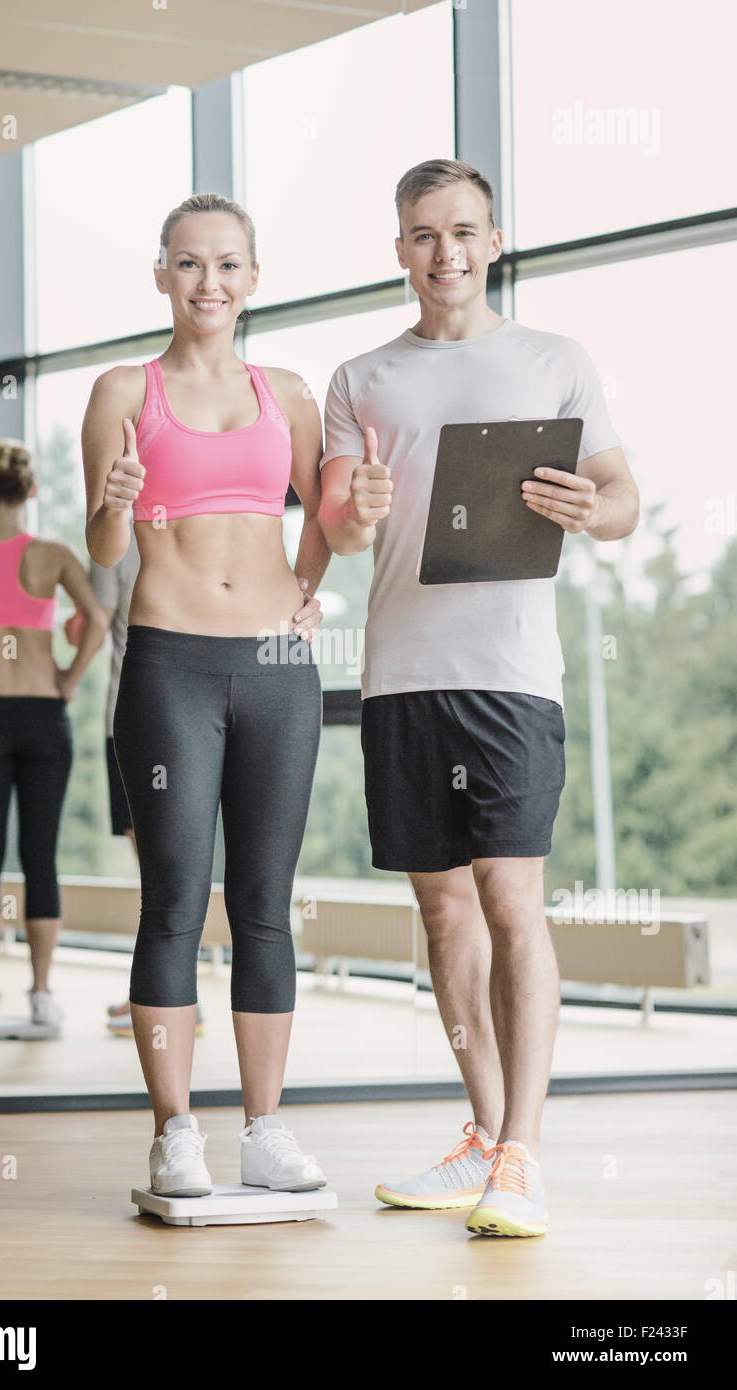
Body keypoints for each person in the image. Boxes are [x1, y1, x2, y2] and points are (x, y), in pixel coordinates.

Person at [318, 158, 639, 1237]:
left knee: (511, 895)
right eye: (421, 234)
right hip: (403, 673)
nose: (443, 252)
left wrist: (596, 507)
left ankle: (526, 1155)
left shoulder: (555, 359)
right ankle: (486, 1136)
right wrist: (354, 510)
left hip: (509, 675)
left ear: (492, 239)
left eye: (462, 231)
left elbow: (625, 496)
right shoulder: (360, 378)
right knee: (443, 908)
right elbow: (338, 530)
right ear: (398, 247)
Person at [81, 192, 330, 1197]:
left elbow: (327, 514)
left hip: (276, 664)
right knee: (175, 899)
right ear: (161, 276)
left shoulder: (291, 391)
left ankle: (264, 1127)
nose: (208, 283)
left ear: (254, 278)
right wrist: (112, 504)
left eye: (228, 264)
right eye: (189, 264)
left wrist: (312, 591)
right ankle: (175, 1127)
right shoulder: (118, 389)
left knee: (265, 903)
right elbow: (104, 552)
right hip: (170, 659)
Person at [0, 440, 109, 1034]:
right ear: (31, 490)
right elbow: (99, 621)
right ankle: (40, 994)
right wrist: (68, 680)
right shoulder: (53, 557)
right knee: (41, 859)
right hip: (40, 713)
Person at [76, 536, 206, 1039]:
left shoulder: (114, 535)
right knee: (169, 873)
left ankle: (172, 1000)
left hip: (134, 716)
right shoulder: (174, 523)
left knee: (162, 877)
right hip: (185, 714)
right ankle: (171, 998)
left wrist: (67, 677)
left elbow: (99, 617)